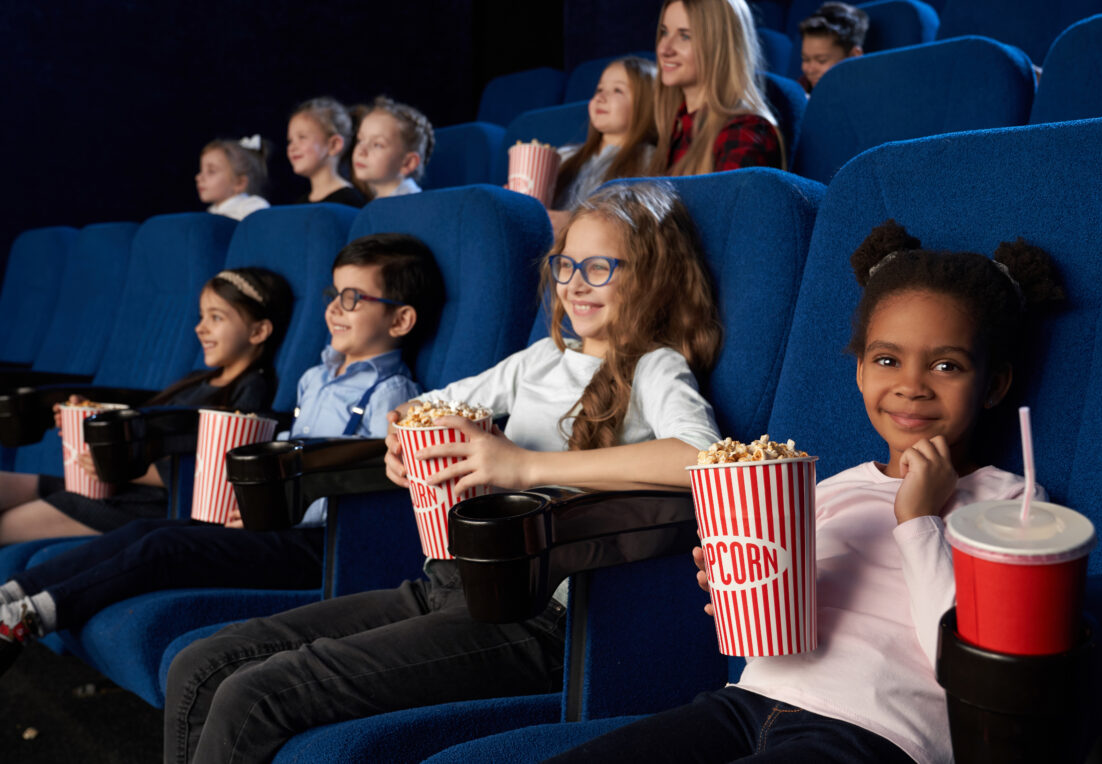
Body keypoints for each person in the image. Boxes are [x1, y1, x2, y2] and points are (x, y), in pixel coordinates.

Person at [162, 180, 724, 764]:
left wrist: (524, 466)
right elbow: (421, 406)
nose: (575, 284)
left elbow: (699, 459)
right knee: (203, 663)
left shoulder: (656, 366)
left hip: (538, 615)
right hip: (449, 581)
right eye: (566, 265)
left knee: (257, 693)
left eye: (601, 267)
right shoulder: (542, 358)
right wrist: (402, 437)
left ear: (653, 277)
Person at [544, 220, 1067, 764]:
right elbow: (774, 628)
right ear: (861, 373)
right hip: (744, 704)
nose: (912, 384)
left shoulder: (1011, 503)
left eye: (946, 366)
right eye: (887, 360)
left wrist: (918, 517)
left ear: (995, 384)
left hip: (876, 733)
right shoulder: (821, 490)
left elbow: (974, 670)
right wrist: (738, 581)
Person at [0, 234, 444, 679]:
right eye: (332, 294)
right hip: (271, 522)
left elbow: (377, 484)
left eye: (352, 298)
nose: (333, 309)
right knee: (147, 529)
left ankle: (27, 619)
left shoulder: (393, 393)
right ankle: (8, 597)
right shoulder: (314, 377)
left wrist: (273, 506)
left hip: (321, 543)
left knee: (164, 547)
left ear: (400, 320)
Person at [0, 268, 291, 544]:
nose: (200, 328)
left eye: (216, 317)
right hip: (118, 486)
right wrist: (89, 416)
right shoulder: (196, 380)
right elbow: (148, 425)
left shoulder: (252, 392)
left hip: (146, 504)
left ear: (258, 332)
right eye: (201, 317)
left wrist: (121, 465)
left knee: (2, 526)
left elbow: (216, 468)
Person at [648, 0, 785, 176]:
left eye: (685, 36)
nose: (664, 49)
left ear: (719, 47)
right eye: (664, 32)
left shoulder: (746, 132)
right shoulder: (673, 127)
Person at [548, 56, 658, 232]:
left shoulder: (649, 159)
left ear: (646, 105)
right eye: (599, 89)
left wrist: (572, 222)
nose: (601, 96)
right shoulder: (564, 156)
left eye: (617, 90)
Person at [287, 97, 368, 208]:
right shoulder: (300, 204)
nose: (292, 147)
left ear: (334, 144)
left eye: (302, 137)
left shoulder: (349, 201)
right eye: (290, 140)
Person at [350, 95, 434, 200]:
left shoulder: (411, 205)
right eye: (360, 140)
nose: (361, 151)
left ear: (408, 163)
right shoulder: (378, 203)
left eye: (377, 144)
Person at [798, 1, 869, 94]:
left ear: (854, 56)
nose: (810, 70)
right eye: (806, 59)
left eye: (821, 60)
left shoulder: (868, 93)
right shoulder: (800, 89)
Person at [196, 137, 271, 220]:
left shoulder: (251, 207)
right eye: (201, 171)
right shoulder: (210, 213)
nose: (199, 177)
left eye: (211, 171)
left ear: (239, 183)